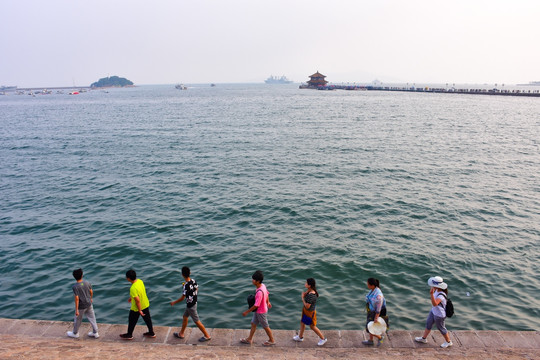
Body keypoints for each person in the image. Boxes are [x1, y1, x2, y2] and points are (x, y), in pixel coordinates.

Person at [169, 266, 211, 342]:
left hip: (191, 306)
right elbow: (196, 289)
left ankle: (207, 335)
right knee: (185, 317)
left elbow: (182, 298)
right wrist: (189, 291)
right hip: (194, 303)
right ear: (190, 273)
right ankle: (181, 334)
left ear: (182, 275)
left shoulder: (185, 286)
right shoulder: (193, 281)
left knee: (197, 321)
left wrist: (174, 302)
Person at [414, 276, 453, 348]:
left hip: (439, 315)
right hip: (433, 311)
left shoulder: (441, 295)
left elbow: (435, 304)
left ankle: (448, 342)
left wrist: (431, 294)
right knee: (428, 324)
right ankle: (424, 338)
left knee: (441, 328)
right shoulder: (436, 290)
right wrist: (433, 291)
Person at [240, 270, 276, 346]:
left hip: (261, 312)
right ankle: (249, 339)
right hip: (259, 310)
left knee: (265, 326)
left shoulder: (259, 292)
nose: (252, 280)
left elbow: (256, 305)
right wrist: (268, 302)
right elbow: (267, 294)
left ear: (257, 281)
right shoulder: (263, 285)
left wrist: (247, 312)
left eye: (253, 279)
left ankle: (272, 340)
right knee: (253, 323)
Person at [119, 269, 155, 340]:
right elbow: (139, 293)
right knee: (148, 320)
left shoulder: (133, 288)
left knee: (132, 320)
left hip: (136, 308)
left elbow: (137, 300)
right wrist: (131, 298)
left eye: (127, 277)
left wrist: (139, 310)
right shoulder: (140, 281)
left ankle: (129, 334)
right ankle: (151, 333)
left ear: (129, 278)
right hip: (145, 303)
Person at [292, 278, 327, 346]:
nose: (305, 283)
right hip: (306, 311)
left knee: (312, 326)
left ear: (309, 285)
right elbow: (306, 294)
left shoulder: (312, 295)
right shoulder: (309, 290)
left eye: (306, 283)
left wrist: (302, 298)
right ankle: (300, 337)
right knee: (302, 323)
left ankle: (323, 339)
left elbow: (307, 306)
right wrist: (305, 294)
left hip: (310, 312)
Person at [66, 268, 99, 339]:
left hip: (81, 306)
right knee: (92, 318)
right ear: (82, 275)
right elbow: (91, 291)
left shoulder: (75, 287)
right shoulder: (87, 282)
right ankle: (95, 332)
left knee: (78, 320)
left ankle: (75, 333)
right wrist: (90, 298)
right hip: (89, 303)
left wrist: (77, 309)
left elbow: (77, 298)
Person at [362, 277, 387, 347]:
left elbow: (378, 309)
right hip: (371, 310)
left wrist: (376, 318)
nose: (367, 285)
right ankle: (370, 340)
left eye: (368, 284)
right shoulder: (373, 290)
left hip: (376, 312)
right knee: (370, 326)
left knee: (369, 327)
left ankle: (380, 337)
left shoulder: (378, 296)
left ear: (372, 285)